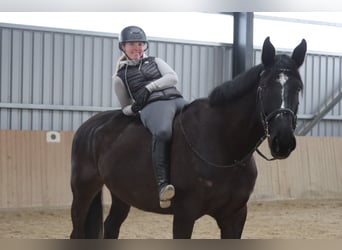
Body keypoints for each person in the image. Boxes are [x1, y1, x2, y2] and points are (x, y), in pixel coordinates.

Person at [113, 26, 188, 208]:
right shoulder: (119, 77)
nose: (137, 48)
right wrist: (136, 108)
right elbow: (124, 108)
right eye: (132, 44)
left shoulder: (156, 61)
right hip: (153, 107)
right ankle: (163, 185)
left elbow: (172, 78)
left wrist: (149, 87)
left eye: (140, 44)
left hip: (177, 99)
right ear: (123, 47)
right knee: (163, 132)